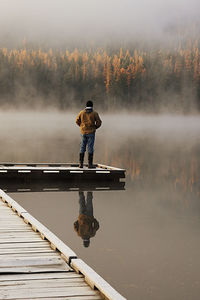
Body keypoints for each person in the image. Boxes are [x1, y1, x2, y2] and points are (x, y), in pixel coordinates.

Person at [76, 100, 102, 168]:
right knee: (90, 148)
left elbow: (77, 121)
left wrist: (81, 127)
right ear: (92, 106)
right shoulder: (94, 113)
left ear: (86, 105)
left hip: (83, 132)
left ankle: (80, 164)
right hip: (91, 132)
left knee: (82, 147)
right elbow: (99, 122)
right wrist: (95, 127)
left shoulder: (81, 112)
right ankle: (90, 165)